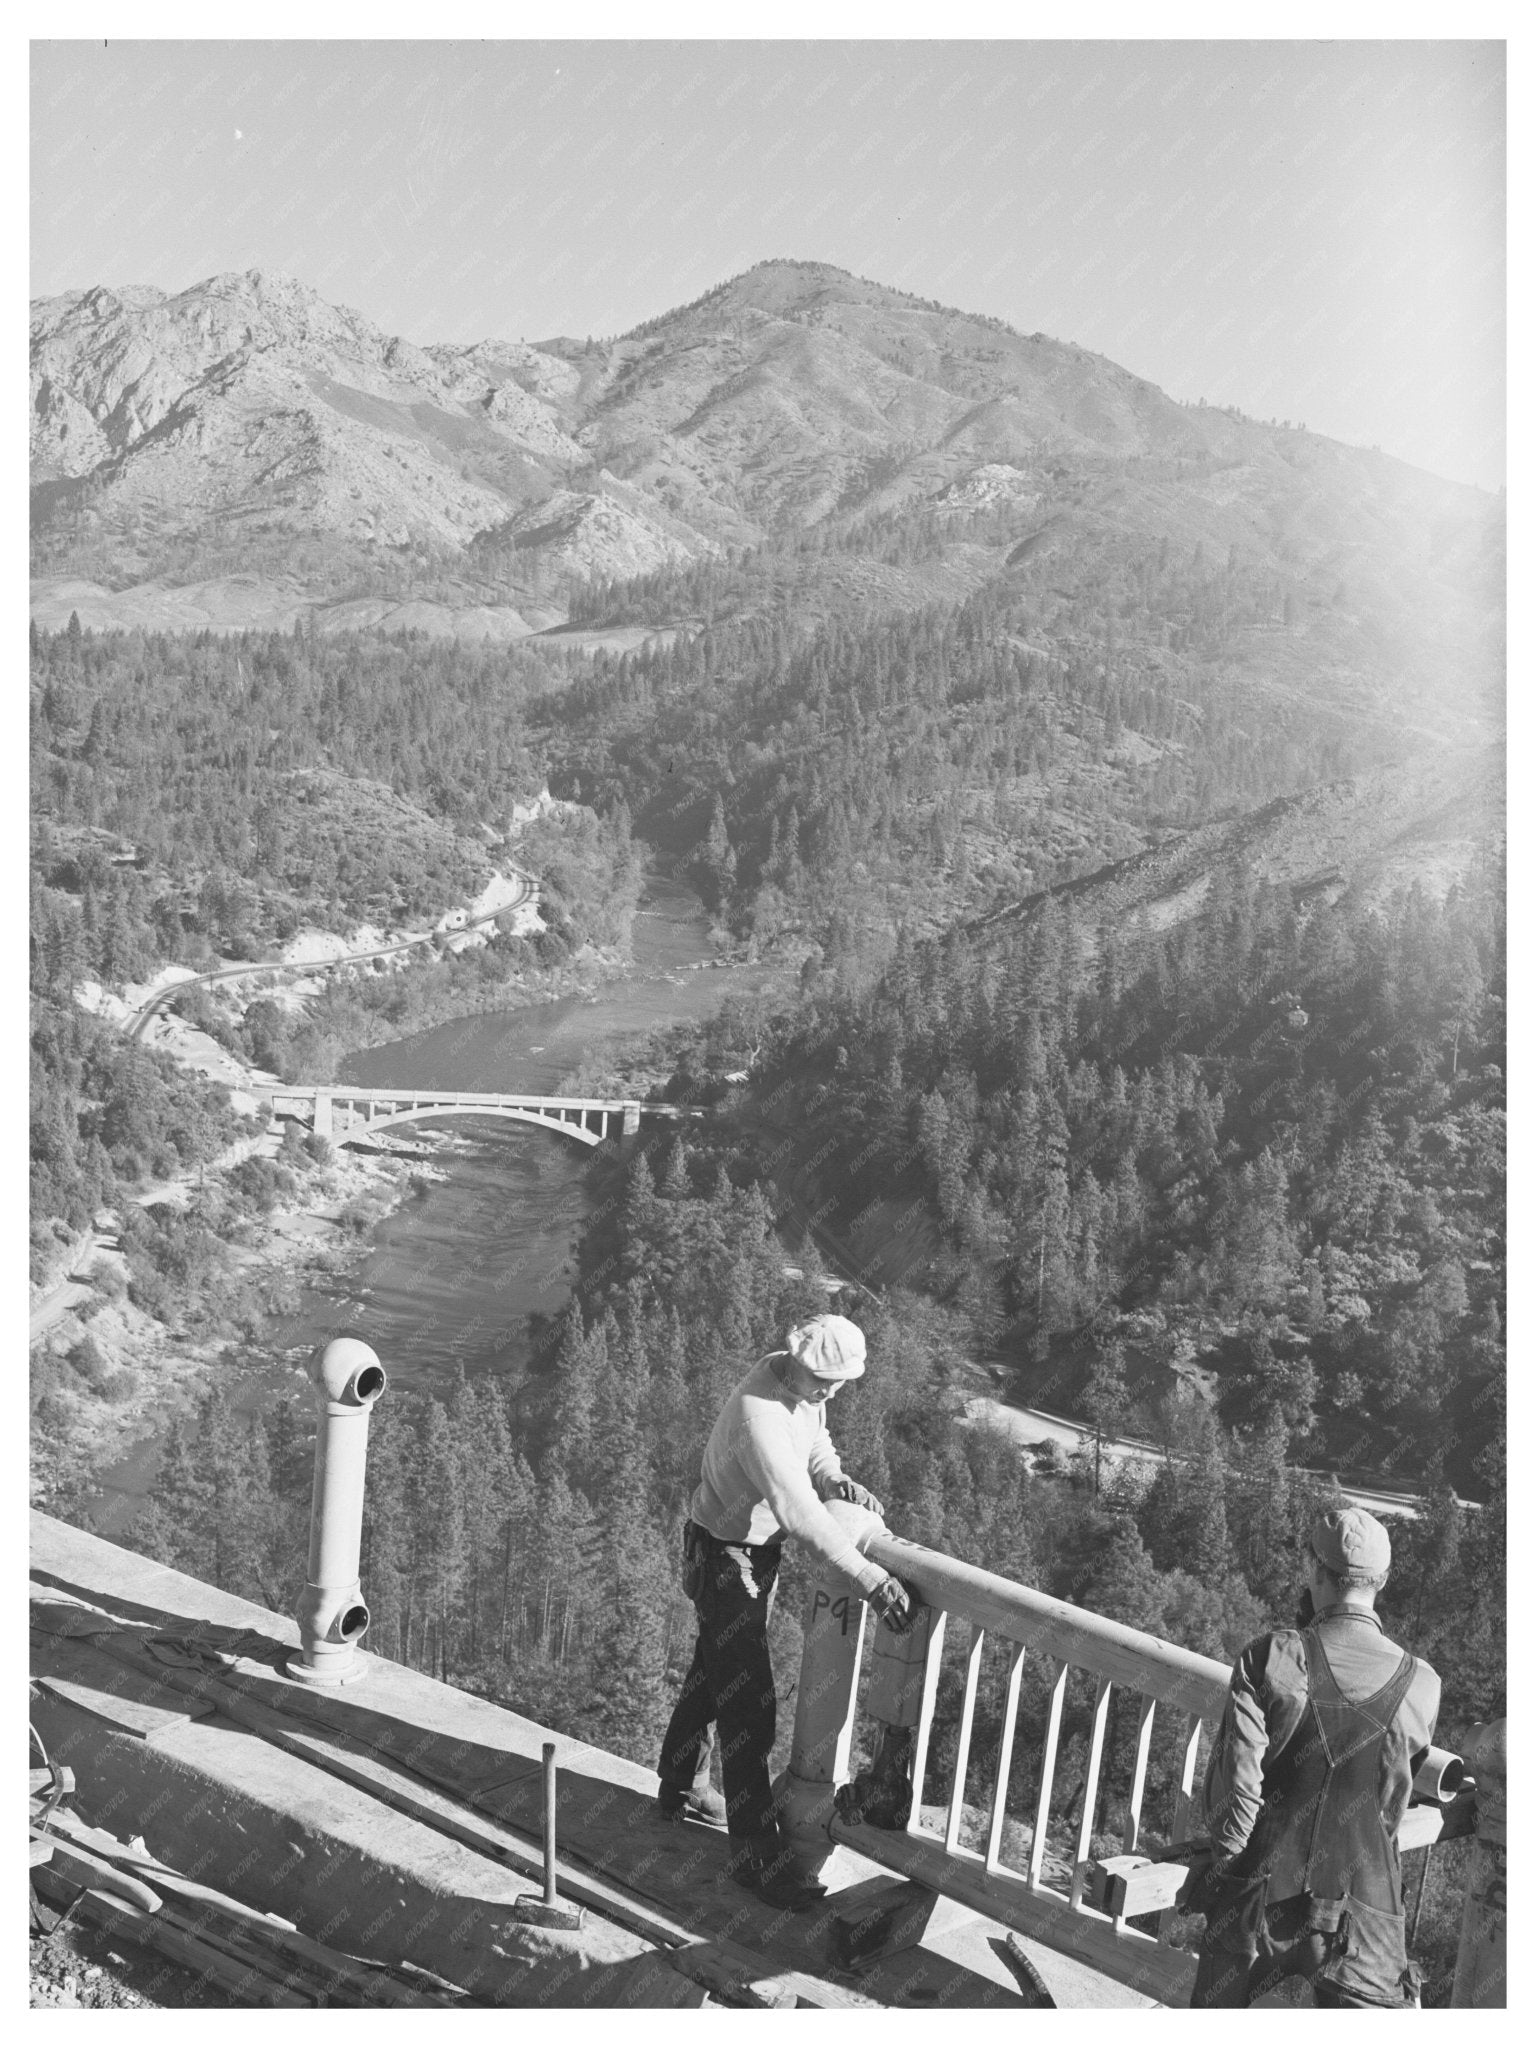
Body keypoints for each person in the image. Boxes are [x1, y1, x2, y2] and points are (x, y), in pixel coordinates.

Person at [655, 1313, 917, 1909]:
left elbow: (815, 1434)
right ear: (799, 1362)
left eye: (840, 1382)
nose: (830, 1391)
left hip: (747, 1554)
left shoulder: (793, 1380)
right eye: (823, 1378)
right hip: (728, 1560)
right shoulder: (760, 1415)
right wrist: (870, 1577)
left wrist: (834, 1477)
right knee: (749, 1705)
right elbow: (799, 1514)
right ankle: (755, 1857)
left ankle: (681, 1782)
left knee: (714, 1673)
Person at [1182, 1506, 1441, 2008]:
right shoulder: (1422, 1684)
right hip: (1364, 1910)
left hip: (1261, 1895)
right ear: (1382, 1580)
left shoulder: (1271, 1655)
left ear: (1314, 1570)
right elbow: (1389, 1805)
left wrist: (1237, 1879)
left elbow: (1238, 1787)